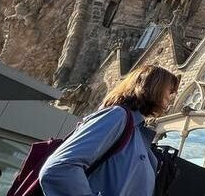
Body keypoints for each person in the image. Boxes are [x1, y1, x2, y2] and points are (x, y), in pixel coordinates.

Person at [39, 64, 179, 196]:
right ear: (153, 87)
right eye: (169, 90)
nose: (171, 98)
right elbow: (59, 168)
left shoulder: (137, 131)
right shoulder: (118, 116)